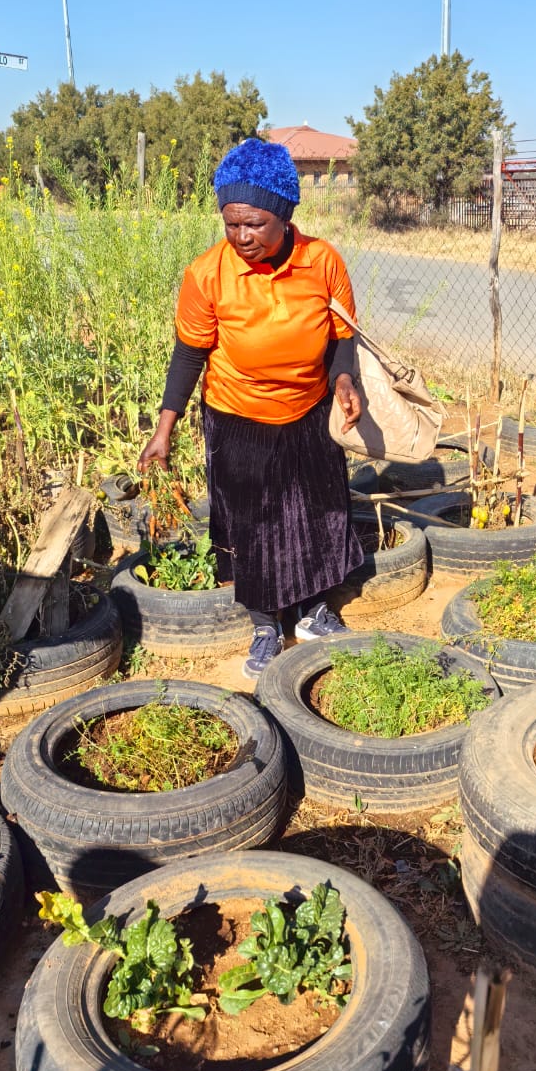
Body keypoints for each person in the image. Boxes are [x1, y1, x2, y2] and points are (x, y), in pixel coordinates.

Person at [138, 137, 365, 679]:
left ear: (284, 217)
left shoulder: (322, 261)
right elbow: (189, 353)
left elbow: (343, 337)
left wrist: (342, 381)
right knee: (254, 524)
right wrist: (164, 428)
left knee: (318, 513)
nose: (241, 237)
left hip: (309, 411)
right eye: (231, 223)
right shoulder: (206, 274)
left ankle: (313, 613)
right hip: (238, 416)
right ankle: (266, 626)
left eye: (254, 224)